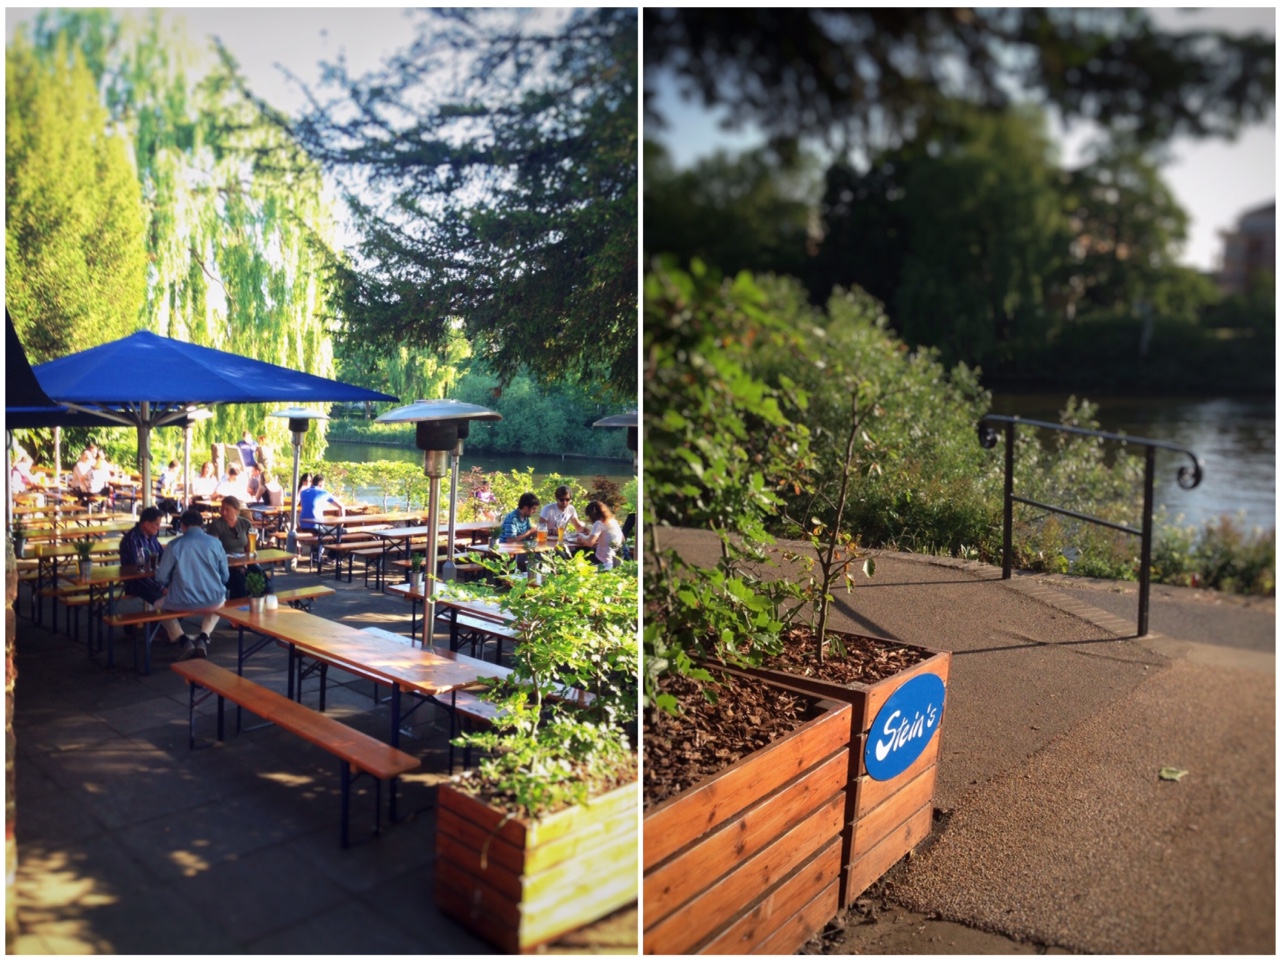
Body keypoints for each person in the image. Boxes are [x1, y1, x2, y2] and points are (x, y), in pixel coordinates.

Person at [155, 508, 230, 661]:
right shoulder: (216, 543)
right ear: (202, 525)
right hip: (212, 601)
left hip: (181, 601)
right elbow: (225, 576)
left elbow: (161, 578)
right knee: (220, 599)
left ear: (183, 526)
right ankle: (204, 636)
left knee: (157, 605)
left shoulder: (174, 545)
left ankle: (182, 639)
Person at [118, 507, 168, 641]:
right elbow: (138, 572)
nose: (159, 528)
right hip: (137, 583)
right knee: (168, 602)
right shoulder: (132, 540)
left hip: (153, 579)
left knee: (181, 596)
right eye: (157, 524)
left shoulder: (151, 537)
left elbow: (162, 556)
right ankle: (153, 630)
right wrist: (161, 588)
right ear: (146, 524)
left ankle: (156, 629)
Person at [207, 496, 271, 599]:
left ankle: (258, 606)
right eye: (222, 509)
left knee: (265, 583)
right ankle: (236, 608)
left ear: (236, 510)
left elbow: (249, 549)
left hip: (244, 563)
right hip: (225, 566)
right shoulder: (216, 525)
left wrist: (246, 563)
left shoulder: (245, 524)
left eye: (227, 510)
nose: (223, 512)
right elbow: (213, 550)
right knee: (241, 586)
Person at [298, 474, 345, 563]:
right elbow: (341, 506)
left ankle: (316, 554)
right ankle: (331, 557)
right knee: (341, 531)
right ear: (321, 484)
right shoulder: (324, 492)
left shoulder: (303, 492)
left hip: (303, 525)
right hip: (316, 526)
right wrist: (341, 523)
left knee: (325, 531)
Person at [580, 500, 624, 571]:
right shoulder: (613, 521)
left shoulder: (599, 523)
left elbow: (589, 543)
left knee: (579, 555)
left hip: (604, 561)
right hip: (615, 561)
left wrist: (581, 536)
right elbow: (622, 539)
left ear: (591, 515)